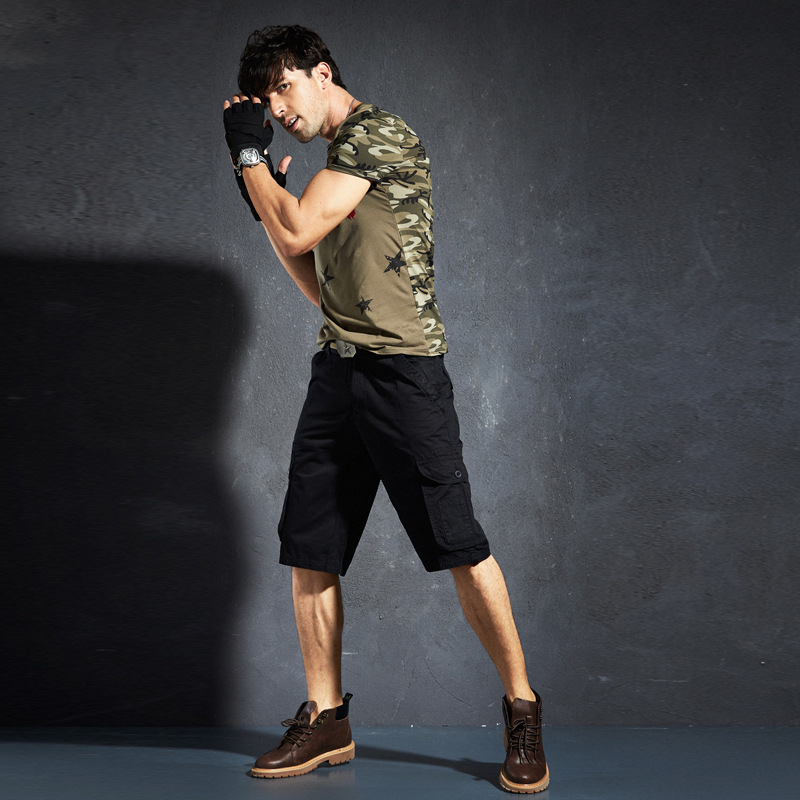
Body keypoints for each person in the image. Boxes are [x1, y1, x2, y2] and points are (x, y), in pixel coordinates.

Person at [221, 24, 549, 793]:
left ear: (322, 72)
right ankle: (327, 718)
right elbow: (314, 277)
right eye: (266, 99)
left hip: (406, 373)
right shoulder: (332, 168)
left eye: (284, 87)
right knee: (311, 545)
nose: (278, 109)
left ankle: (522, 706)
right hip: (338, 372)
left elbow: (299, 223)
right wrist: (263, 197)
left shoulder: (379, 136)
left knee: (459, 546)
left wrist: (250, 164)